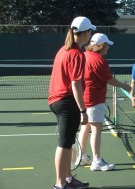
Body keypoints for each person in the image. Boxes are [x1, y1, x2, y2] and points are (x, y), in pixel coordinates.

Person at [48, 16, 95, 189]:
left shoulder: (63, 50)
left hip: (58, 101)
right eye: (90, 31)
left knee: (67, 143)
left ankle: (68, 178)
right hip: (66, 102)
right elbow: (76, 84)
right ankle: (60, 184)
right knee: (64, 144)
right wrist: (83, 110)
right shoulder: (77, 54)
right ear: (86, 33)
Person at [76, 33, 131, 171]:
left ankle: (82, 157)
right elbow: (110, 79)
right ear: (101, 46)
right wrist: (124, 85)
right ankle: (97, 161)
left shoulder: (84, 55)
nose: (108, 48)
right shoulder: (98, 60)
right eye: (107, 45)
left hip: (84, 99)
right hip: (94, 99)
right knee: (96, 131)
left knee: (85, 128)